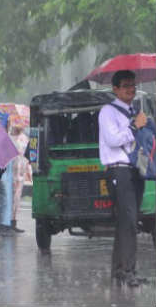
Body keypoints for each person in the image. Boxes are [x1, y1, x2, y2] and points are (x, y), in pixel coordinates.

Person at [98, 70, 147, 287]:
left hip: (136, 170)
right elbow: (113, 139)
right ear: (115, 89)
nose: (131, 89)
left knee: (128, 221)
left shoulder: (136, 111)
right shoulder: (108, 112)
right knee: (128, 221)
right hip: (119, 170)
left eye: (133, 85)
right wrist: (135, 126)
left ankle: (120, 269)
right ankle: (128, 270)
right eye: (126, 85)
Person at [10, 124, 30, 233]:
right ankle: (6, 223)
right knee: (8, 198)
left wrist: (28, 171)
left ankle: (13, 222)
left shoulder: (24, 139)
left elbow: (27, 156)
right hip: (9, 173)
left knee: (16, 199)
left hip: (20, 174)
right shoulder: (8, 138)